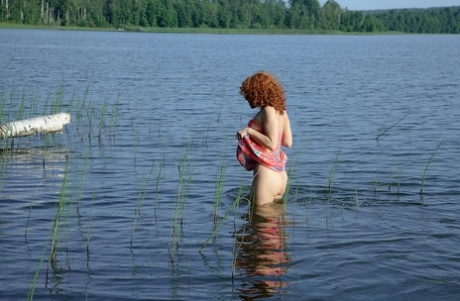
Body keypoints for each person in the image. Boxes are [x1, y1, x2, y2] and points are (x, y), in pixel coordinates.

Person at [236, 71, 293, 206]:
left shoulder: (268, 111)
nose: (246, 98)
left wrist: (249, 131)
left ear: (258, 92)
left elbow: (272, 144)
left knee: (259, 223)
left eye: (248, 94)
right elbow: (287, 142)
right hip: (281, 174)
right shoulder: (282, 112)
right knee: (275, 224)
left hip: (267, 175)